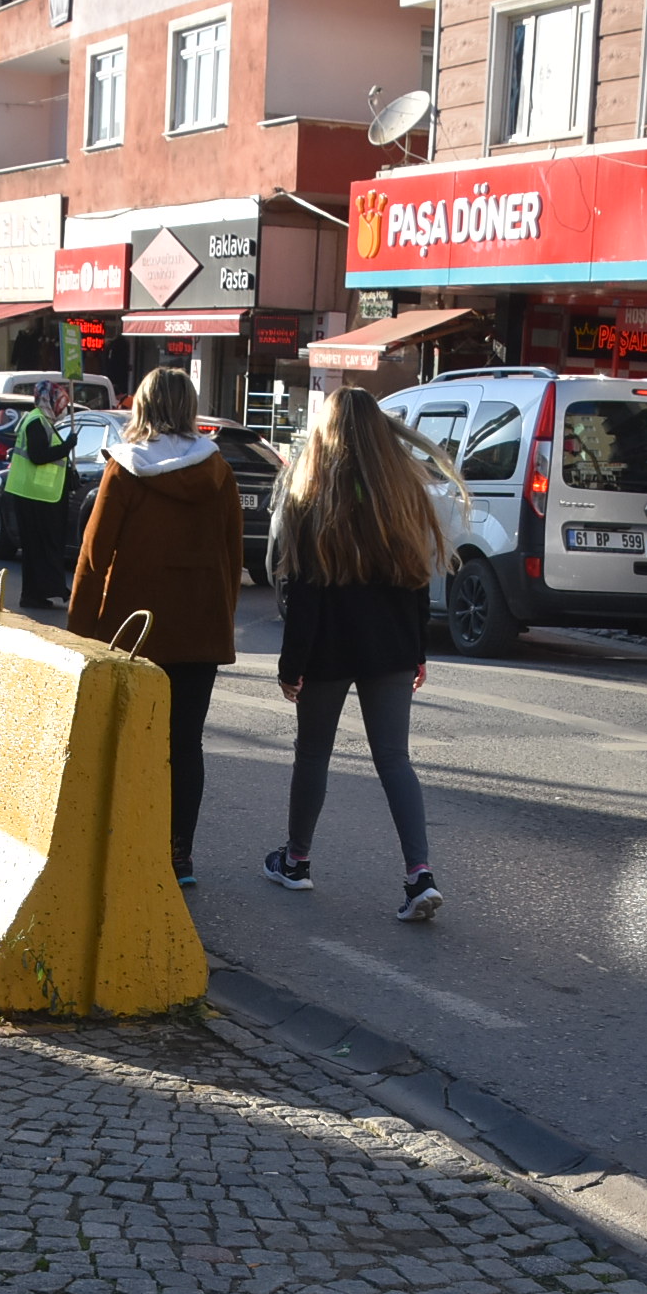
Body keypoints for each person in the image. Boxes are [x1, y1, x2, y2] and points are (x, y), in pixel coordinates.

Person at [260, 387, 450, 922]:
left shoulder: (311, 495)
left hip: (327, 646)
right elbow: (418, 582)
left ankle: (296, 861)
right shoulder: (403, 495)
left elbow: (304, 594)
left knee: (313, 754)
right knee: (395, 759)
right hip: (391, 645)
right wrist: (419, 650)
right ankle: (420, 876)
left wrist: (290, 665)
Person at [66, 366, 240, 886]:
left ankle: (131, 845)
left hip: (133, 633)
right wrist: (219, 617)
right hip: (198, 633)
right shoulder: (218, 470)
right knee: (186, 744)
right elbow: (234, 556)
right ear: (188, 407)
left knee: (131, 741)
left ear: (142, 406)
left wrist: (79, 632)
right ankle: (179, 854)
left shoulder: (124, 470)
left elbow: (95, 558)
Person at [6, 379, 71, 610]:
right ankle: (34, 594)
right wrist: (66, 447)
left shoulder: (43, 421)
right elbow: (38, 455)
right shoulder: (36, 421)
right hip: (34, 495)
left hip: (40, 494)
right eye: (59, 401)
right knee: (37, 547)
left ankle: (41, 592)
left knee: (40, 547)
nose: (62, 407)